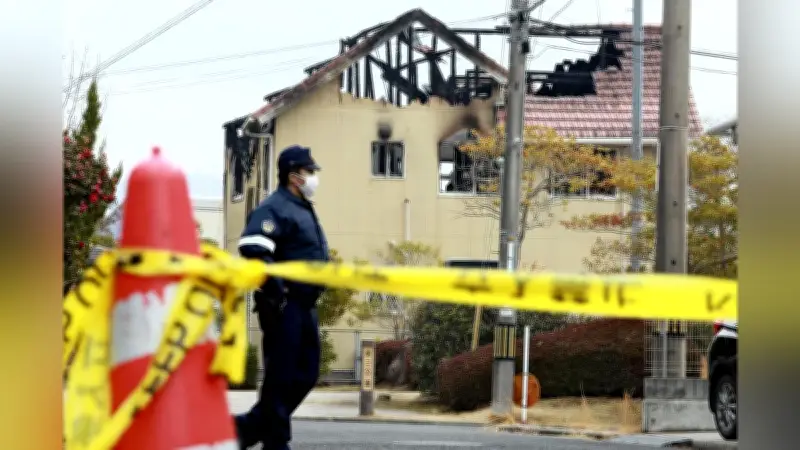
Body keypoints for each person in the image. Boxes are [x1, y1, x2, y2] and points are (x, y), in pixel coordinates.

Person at [233, 145, 329, 450]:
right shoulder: (274, 208)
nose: (313, 177)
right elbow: (253, 246)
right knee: (281, 376)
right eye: (308, 171)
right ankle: (275, 442)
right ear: (293, 176)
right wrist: (278, 289)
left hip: (305, 305)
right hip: (284, 305)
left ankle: (246, 429)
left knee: (307, 373)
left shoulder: (301, 207)